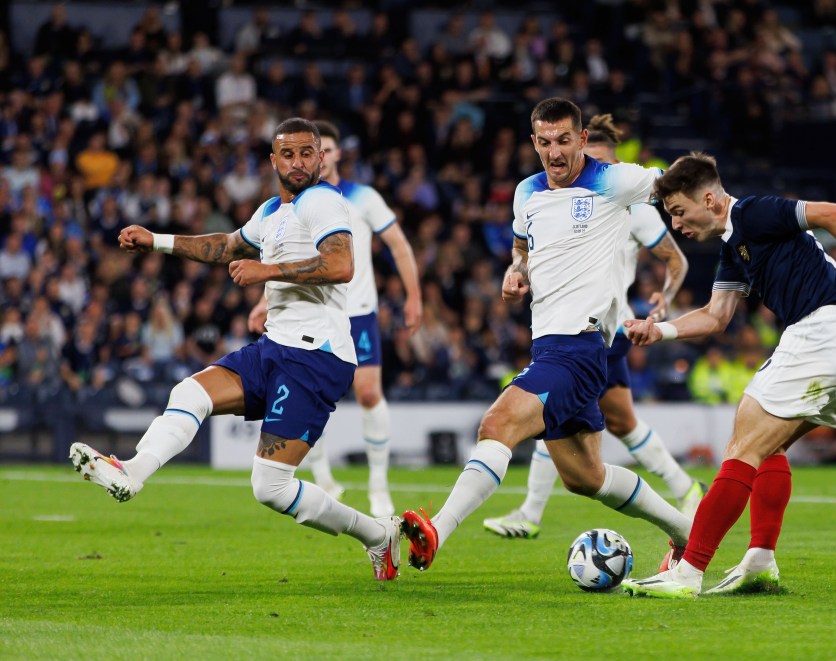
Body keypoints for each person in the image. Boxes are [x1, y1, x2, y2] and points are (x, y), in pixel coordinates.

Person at [68, 118, 403, 581]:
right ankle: (131, 470)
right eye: (289, 154)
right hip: (275, 347)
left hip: (317, 357)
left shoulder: (324, 201)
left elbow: (341, 264)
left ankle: (378, 535)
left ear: (321, 158)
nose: (299, 162)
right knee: (190, 393)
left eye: (308, 153)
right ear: (273, 161)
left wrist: (267, 273)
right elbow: (225, 246)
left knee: (270, 488)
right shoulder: (270, 211)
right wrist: (157, 241)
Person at [399, 98, 692, 573]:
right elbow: (521, 247)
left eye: (563, 141)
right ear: (534, 142)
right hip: (549, 344)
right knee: (585, 477)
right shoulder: (527, 192)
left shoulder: (613, 181)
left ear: (580, 139)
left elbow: (672, 182)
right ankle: (686, 533)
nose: (554, 152)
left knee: (496, 425)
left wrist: (716, 208)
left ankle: (438, 530)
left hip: (580, 345)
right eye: (544, 142)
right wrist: (516, 271)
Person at [620, 152, 836, 598]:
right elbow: (716, 317)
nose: (676, 225)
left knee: (741, 446)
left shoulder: (753, 212)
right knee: (767, 444)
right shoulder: (732, 249)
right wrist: (657, 330)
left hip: (823, 332)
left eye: (679, 212)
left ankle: (687, 572)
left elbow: (835, 213)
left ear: (711, 198)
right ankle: (759, 559)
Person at [482, 113, 704, 540]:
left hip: (607, 327)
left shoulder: (629, 203)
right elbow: (522, 247)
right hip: (578, 324)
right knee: (613, 421)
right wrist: (518, 270)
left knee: (558, 411)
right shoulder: (549, 197)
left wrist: (665, 298)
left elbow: (675, 258)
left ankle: (530, 512)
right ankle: (685, 491)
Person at [249, 120, 422, 518]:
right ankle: (324, 478)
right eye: (294, 153)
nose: (306, 159)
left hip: (357, 311)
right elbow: (283, 256)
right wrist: (264, 302)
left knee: (368, 393)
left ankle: (379, 487)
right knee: (309, 394)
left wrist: (413, 296)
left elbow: (398, 244)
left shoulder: (362, 197)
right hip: (307, 312)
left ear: (332, 154)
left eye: (316, 150)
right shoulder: (293, 204)